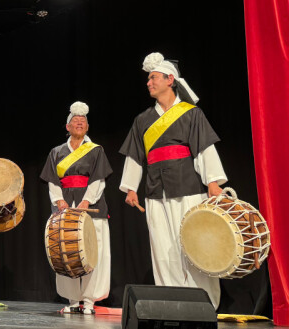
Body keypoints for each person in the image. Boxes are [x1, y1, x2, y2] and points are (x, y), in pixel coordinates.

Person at [119, 52, 227, 308]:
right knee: (163, 248)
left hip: (188, 188)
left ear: (170, 79)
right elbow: (135, 156)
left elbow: (203, 149)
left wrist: (213, 181)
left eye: (153, 78)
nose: (148, 83)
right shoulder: (142, 119)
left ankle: (204, 304)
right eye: (148, 79)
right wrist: (131, 187)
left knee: (196, 245)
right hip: (156, 191)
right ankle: (172, 302)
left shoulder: (191, 114)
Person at [40, 101, 112, 314]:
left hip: (91, 205)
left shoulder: (96, 150)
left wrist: (86, 201)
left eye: (83, 122)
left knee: (92, 252)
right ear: (67, 127)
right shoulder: (56, 152)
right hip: (64, 207)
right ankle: (72, 300)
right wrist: (58, 200)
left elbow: (99, 179)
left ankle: (89, 300)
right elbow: (53, 180)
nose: (79, 124)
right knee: (65, 252)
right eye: (75, 121)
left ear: (87, 128)